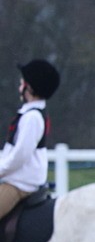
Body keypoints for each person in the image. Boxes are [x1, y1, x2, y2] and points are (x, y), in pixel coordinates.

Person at [0, 59, 60, 219]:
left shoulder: (32, 118)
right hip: (15, 179)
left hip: (19, 184)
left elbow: (20, 156)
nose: (19, 88)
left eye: (22, 84)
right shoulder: (29, 114)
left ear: (30, 88)